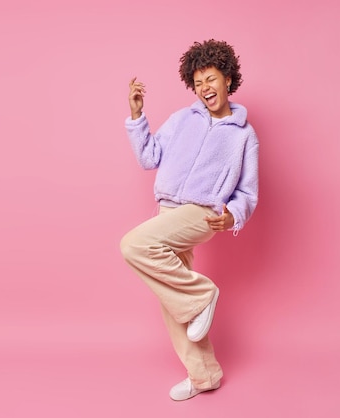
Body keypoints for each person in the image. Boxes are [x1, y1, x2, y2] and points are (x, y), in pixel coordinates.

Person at [120, 39, 259, 401]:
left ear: (228, 78)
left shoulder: (243, 136)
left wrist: (232, 216)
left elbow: (247, 193)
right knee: (171, 302)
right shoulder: (183, 119)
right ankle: (205, 375)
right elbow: (150, 157)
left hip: (203, 212)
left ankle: (202, 294)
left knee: (133, 245)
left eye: (210, 79)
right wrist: (137, 117)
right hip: (168, 210)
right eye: (197, 83)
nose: (204, 89)